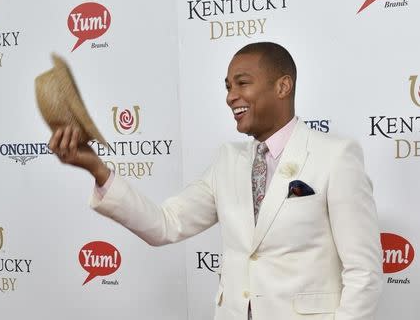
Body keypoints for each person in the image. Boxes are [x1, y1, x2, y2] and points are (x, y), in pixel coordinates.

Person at [49, 42, 382, 320]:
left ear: (283, 86)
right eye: (227, 86)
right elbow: (165, 224)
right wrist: (97, 169)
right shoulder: (227, 161)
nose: (230, 96)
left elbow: (363, 272)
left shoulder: (335, 156)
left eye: (242, 83)